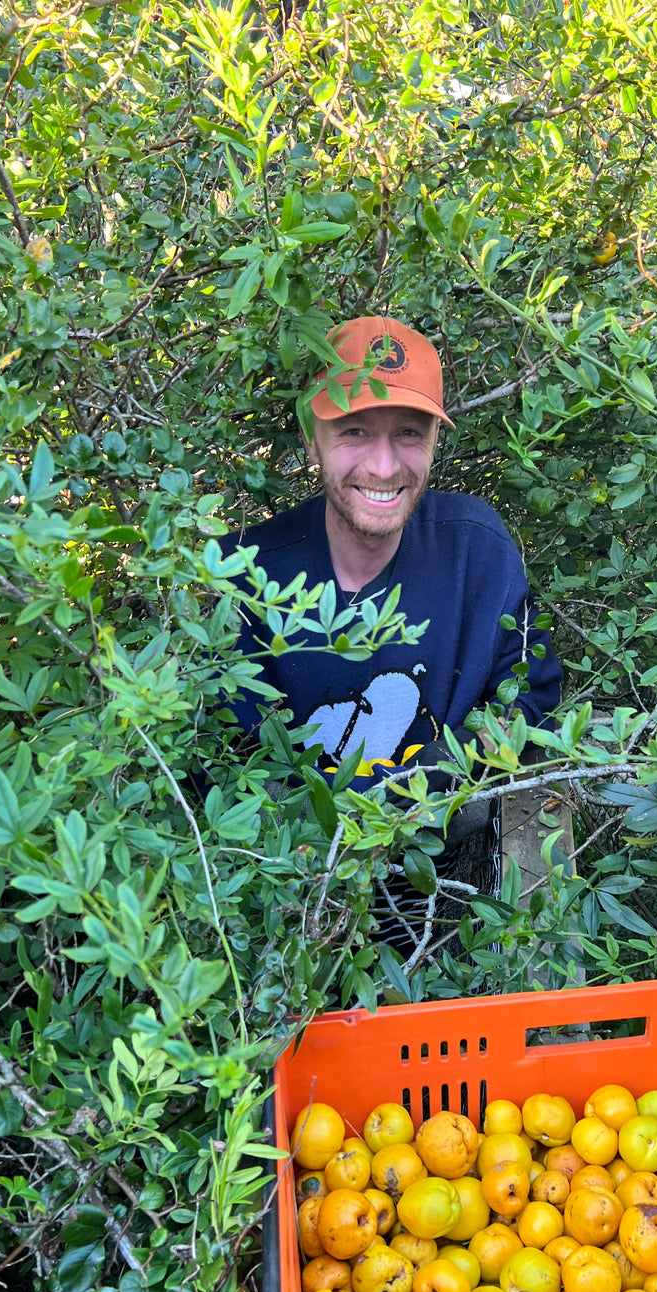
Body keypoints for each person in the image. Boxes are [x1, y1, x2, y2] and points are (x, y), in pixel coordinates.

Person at [226, 315, 561, 949]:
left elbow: (529, 702)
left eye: (409, 433)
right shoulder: (246, 575)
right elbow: (225, 763)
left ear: (435, 439)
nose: (384, 465)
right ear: (310, 439)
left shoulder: (478, 551)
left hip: (444, 871)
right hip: (291, 889)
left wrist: (437, 788)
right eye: (353, 430)